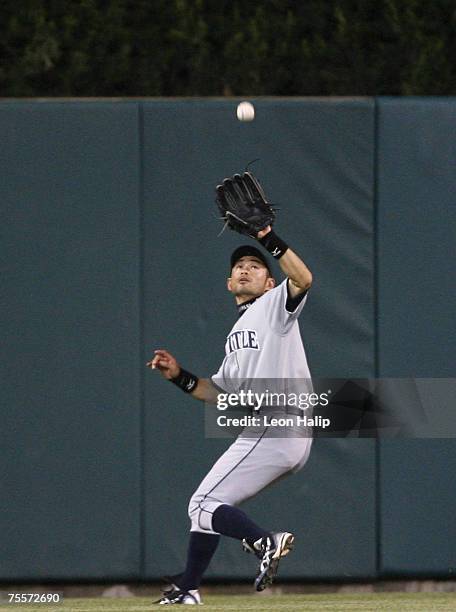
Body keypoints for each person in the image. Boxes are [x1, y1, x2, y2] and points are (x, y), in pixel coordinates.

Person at [147, 224, 313, 605]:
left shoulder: (275, 307)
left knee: (201, 503)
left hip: (278, 421)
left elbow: (303, 278)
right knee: (208, 507)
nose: (245, 268)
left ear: (270, 282)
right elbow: (218, 392)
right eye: (239, 266)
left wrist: (266, 235)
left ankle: (264, 542)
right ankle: (188, 588)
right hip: (280, 430)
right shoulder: (237, 334)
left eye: (255, 265)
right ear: (228, 283)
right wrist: (180, 377)